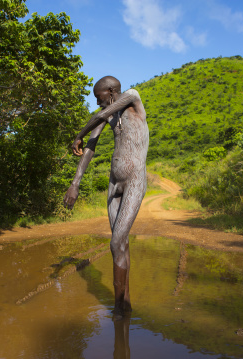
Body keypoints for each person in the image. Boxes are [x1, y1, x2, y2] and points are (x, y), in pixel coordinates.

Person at [63, 76, 149, 316]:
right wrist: (75, 184)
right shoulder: (107, 114)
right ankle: (125, 302)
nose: (96, 101)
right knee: (119, 244)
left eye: (98, 96)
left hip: (134, 180)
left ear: (110, 91)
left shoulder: (132, 96)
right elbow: (91, 147)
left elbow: (98, 117)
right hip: (114, 182)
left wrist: (78, 134)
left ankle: (119, 309)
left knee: (115, 242)